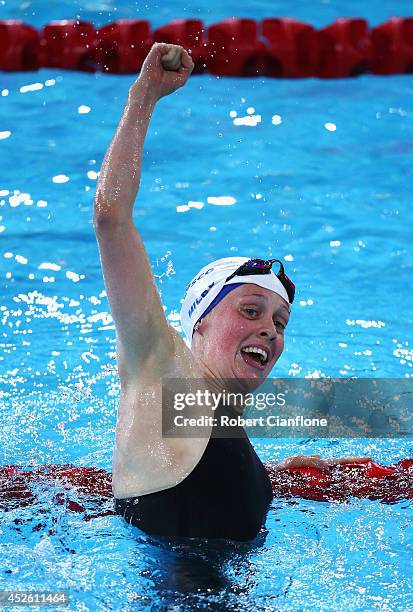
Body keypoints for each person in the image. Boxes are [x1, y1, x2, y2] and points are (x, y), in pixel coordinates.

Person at [92, 42, 369, 541]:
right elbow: (111, 219)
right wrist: (144, 96)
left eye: (279, 322)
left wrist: (281, 477)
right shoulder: (163, 377)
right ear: (199, 325)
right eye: (251, 309)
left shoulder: (220, 427)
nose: (269, 328)